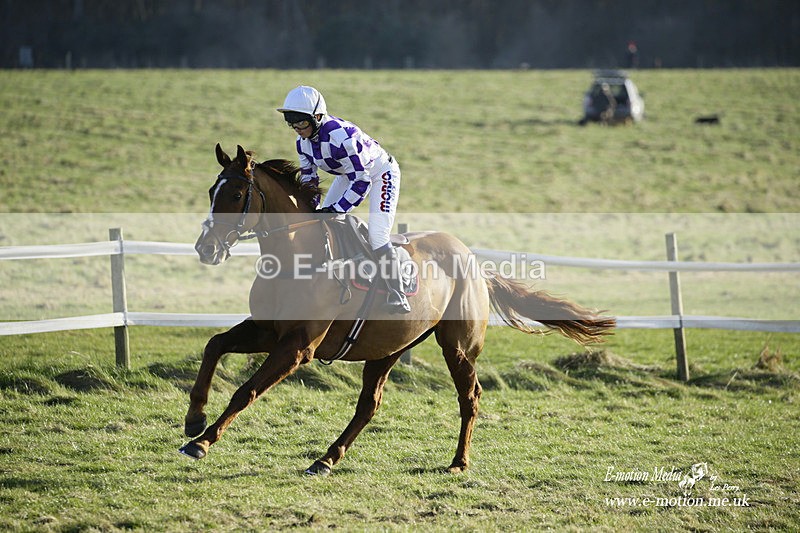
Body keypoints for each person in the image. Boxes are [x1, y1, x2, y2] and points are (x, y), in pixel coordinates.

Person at [277, 85, 411, 314]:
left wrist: (335, 209)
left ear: (317, 117)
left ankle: (397, 292)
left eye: (302, 123)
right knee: (322, 221)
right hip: (348, 174)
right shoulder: (302, 143)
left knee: (377, 235)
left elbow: (362, 181)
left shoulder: (342, 137)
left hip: (379, 174)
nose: (297, 129)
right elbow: (310, 179)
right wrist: (312, 209)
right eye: (292, 123)